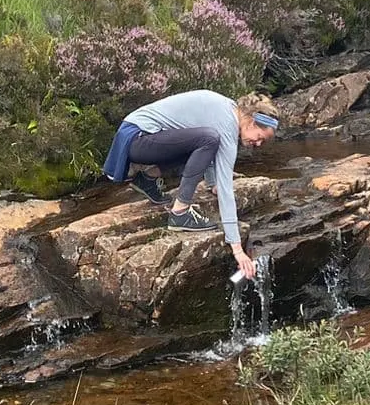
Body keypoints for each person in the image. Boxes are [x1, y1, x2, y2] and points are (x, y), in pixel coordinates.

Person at [103, 88, 279, 281]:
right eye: (261, 137)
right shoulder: (227, 121)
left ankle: (148, 179)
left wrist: (213, 183)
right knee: (208, 138)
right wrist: (237, 248)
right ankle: (180, 213)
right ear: (252, 122)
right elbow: (226, 184)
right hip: (137, 139)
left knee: (205, 139)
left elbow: (209, 150)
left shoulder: (227, 110)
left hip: (137, 136)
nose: (259, 144)